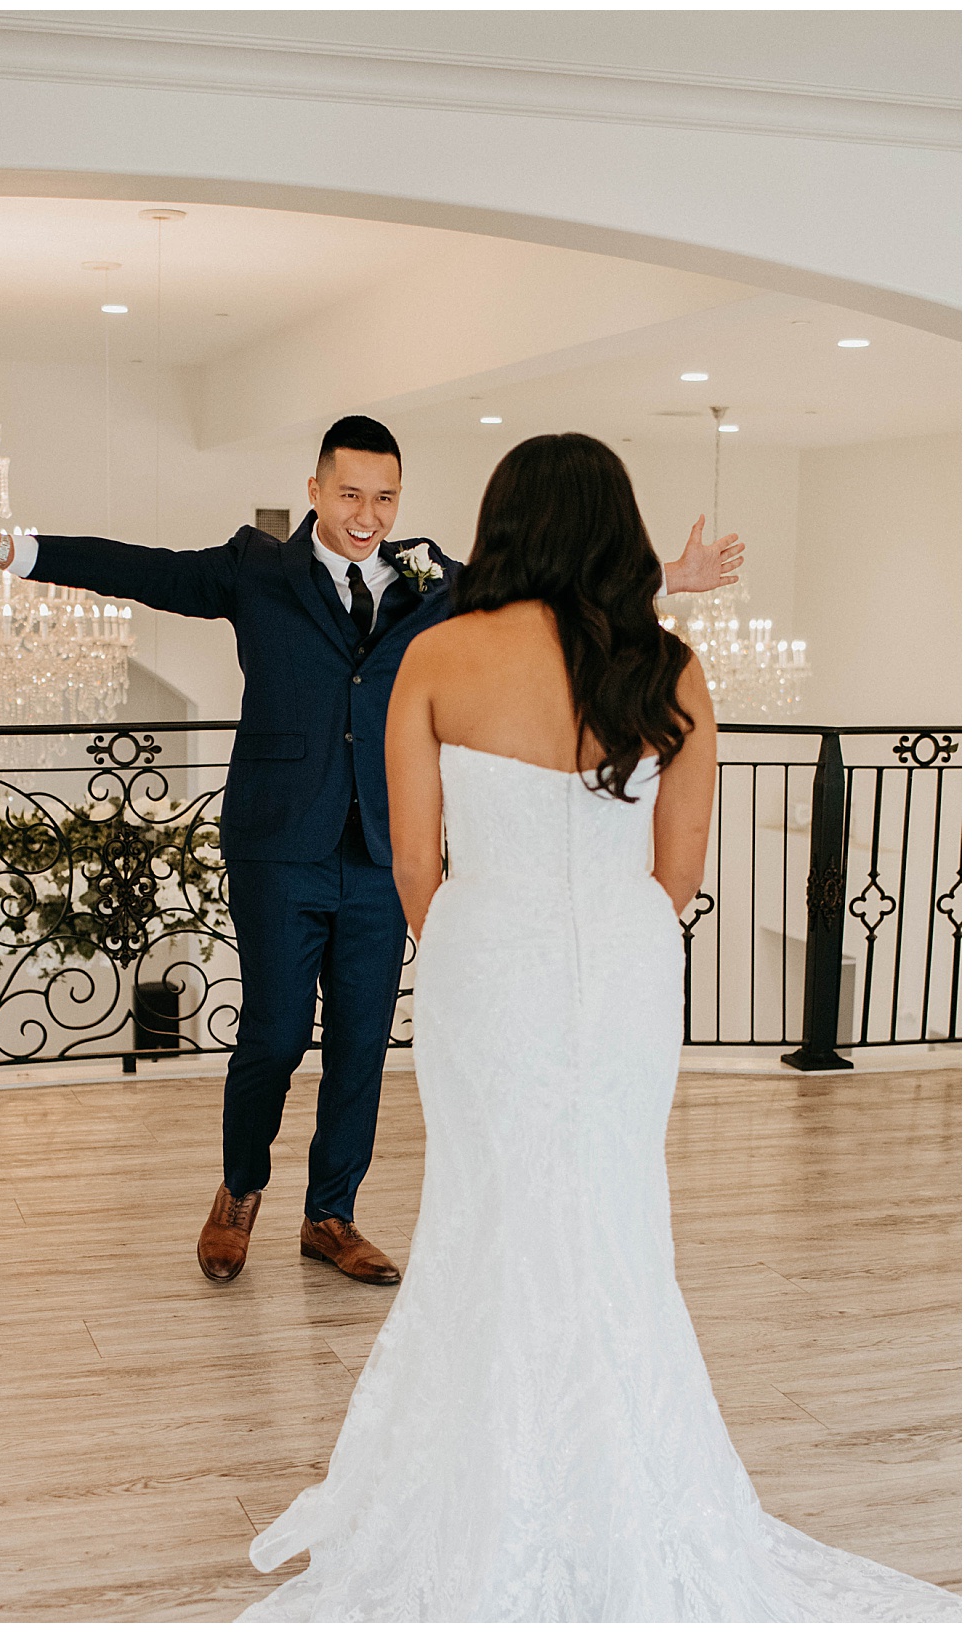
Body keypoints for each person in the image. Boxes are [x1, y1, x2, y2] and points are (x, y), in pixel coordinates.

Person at [235, 433, 960, 1622]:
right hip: (624, 968)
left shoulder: (439, 654)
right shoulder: (669, 667)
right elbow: (679, 870)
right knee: (612, 1210)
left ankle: (489, 1479)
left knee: (489, 1207)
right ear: (621, 533)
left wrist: (475, 940)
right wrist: (603, 942)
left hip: (483, 958)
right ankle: (618, 1465)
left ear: (505, 526)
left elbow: (413, 858)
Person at [0, 417, 742, 1291]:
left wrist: (671, 579)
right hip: (281, 843)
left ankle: (331, 1213)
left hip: (384, 846)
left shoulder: (433, 577)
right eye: (350, 495)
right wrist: (1, 549)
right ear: (314, 491)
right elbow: (143, 569)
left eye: (385, 497)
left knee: (363, 1044)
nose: (368, 515)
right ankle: (241, 1188)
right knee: (274, 1034)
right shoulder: (257, 568)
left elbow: (548, 584)